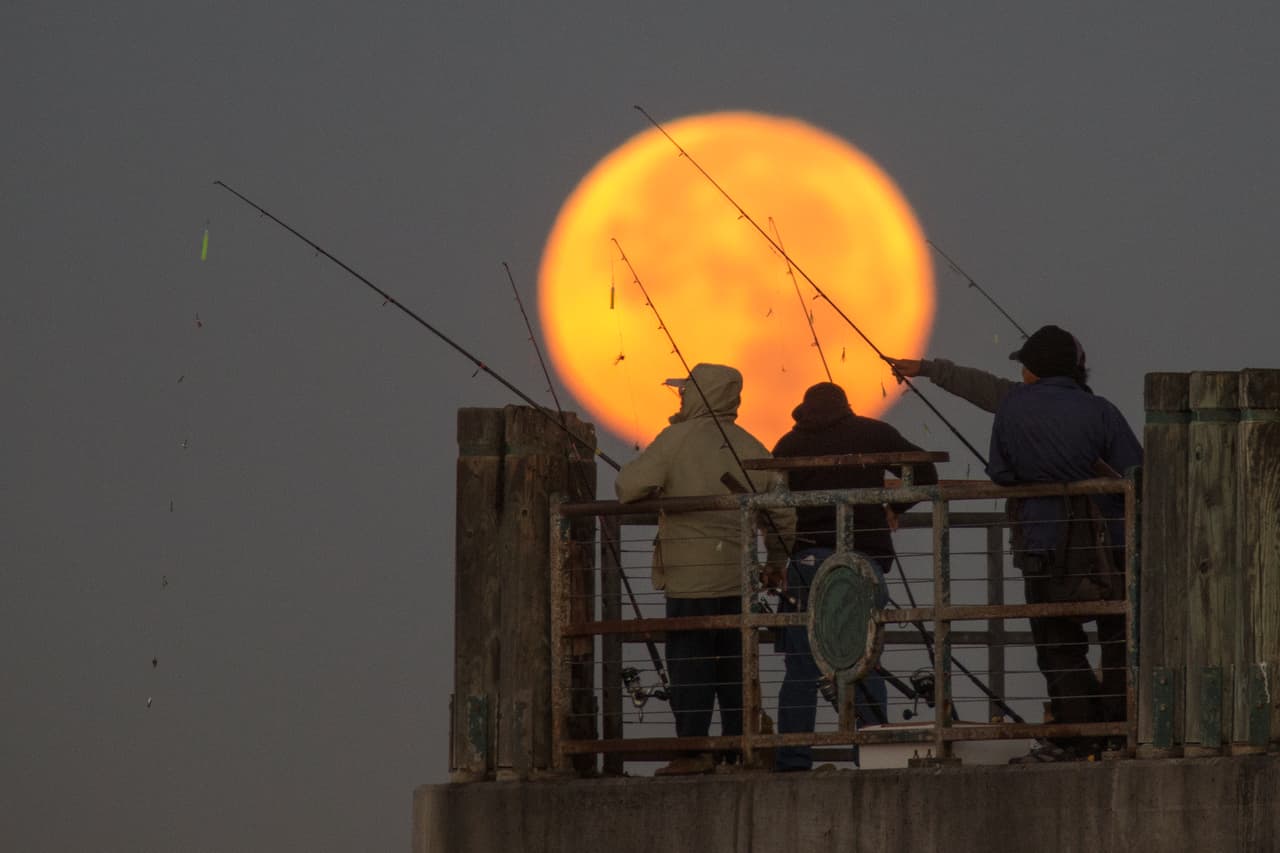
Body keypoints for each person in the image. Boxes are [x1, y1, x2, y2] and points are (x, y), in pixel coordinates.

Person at [615, 363, 794, 776]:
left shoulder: (675, 441)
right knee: (735, 667)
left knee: (690, 667)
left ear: (698, 395)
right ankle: (737, 751)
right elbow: (783, 516)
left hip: (688, 582)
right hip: (739, 580)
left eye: (684, 392)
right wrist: (776, 564)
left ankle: (692, 752)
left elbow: (626, 488)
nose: (679, 398)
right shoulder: (751, 445)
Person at [985, 325, 1143, 761]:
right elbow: (1135, 470)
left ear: (1034, 369)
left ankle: (1079, 732)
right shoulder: (1100, 411)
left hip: (1042, 544)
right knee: (1116, 635)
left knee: (1058, 642)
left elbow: (1000, 470)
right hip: (1107, 547)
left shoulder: (1012, 409)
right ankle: (1117, 729)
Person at [770, 382, 938, 772]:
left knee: (800, 667)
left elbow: (773, 503)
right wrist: (893, 505)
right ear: (847, 405)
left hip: (807, 561)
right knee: (864, 659)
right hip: (863, 559)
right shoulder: (872, 432)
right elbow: (926, 472)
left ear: (802, 409)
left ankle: (793, 760)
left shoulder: (789, 445)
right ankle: (872, 755)